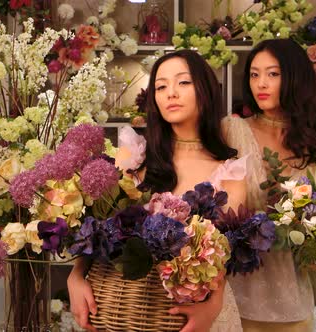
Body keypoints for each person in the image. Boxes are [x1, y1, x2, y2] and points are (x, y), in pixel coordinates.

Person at [68, 49, 246, 332]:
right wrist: (75, 276)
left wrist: (212, 307)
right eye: (161, 86)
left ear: (206, 89)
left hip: (194, 316)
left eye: (183, 82)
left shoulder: (230, 171)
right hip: (124, 310)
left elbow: (223, 257)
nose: (170, 93)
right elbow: (97, 226)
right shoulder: (132, 155)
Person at [222, 38, 316, 331]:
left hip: (294, 300)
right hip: (237, 298)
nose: (261, 83)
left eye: (273, 74)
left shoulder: (310, 140)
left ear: (293, 77)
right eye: (254, 74)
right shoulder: (232, 131)